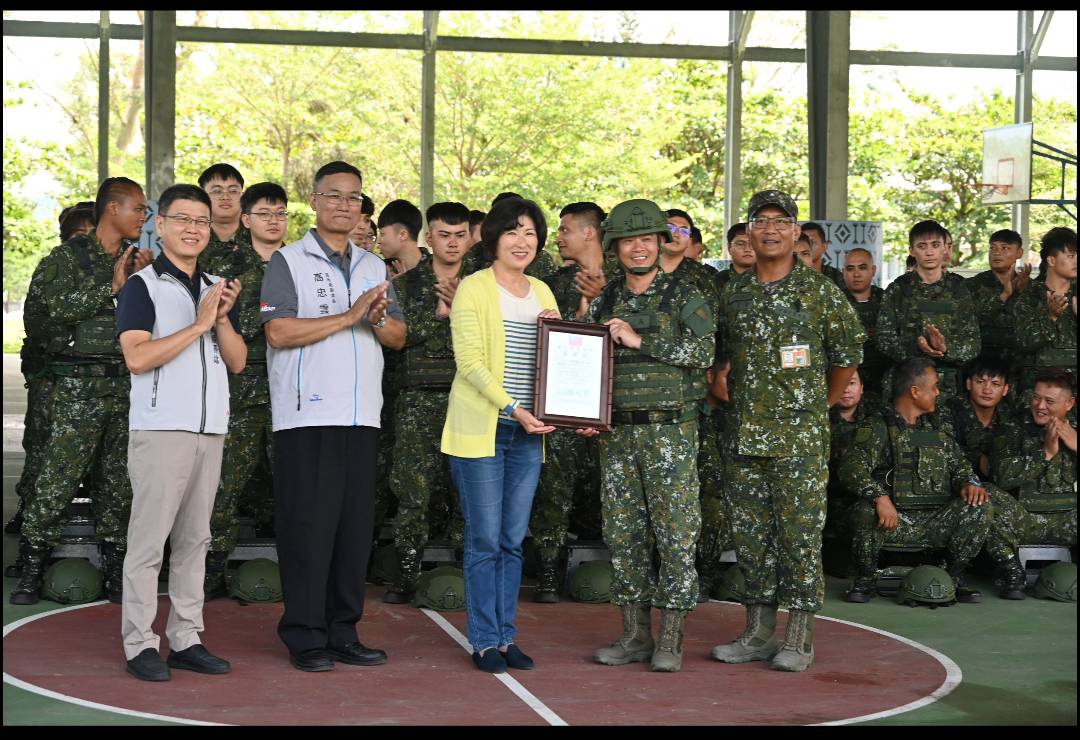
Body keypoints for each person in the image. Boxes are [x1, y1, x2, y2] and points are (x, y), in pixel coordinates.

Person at [261, 161, 405, 672]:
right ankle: (304, 635)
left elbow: (397, 337)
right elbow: (277, 333)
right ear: (316, 202)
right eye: (335, 196)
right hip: (307, 416)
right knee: (308, 527)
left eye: (355, 198)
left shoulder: (373, 267)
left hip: (361, 415)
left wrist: (378, 318)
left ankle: (344, 630)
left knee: (352, 529)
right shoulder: (288, 261)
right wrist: (349, 316)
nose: (346, 205)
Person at [711, 190, 864, 673]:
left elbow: (847, 355)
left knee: (798, 538)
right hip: (744, 438)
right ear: (748, 232)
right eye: (761, 220)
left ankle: (799, 637)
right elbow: (716, 359)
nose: (770, 229)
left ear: (797, 233)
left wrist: (819, 403)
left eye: (781, 221)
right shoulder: (732, 294)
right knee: (752, 539)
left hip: (799, 445)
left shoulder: (819, 293)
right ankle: (758, 632)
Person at [116, 183, 246, 681]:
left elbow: (236, 362)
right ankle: (139, 643)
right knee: (149, 542)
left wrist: (221, 318)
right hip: (161, 429)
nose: (193, 229)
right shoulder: (142, 286)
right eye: (183, 220)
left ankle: (186, 637)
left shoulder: (215, 284)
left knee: (196, 540)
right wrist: (197, 325)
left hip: (209, 430)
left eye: (201, 222)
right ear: (162, 226)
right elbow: (137, 357)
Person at [582, 198, 714, 673]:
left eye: (646, 239)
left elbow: (704, 352)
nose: (638, 248)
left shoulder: (686, 295)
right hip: (617, 435)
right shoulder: (605, 300)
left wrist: (641, 340)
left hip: (669, 434)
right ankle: (635, 634)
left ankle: (672, 637)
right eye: (628, 241)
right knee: (623, 535)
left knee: (676, 536)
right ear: (614, 247)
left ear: (661, 242)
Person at [11, 177, 153, 606]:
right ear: (112, 209)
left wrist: (144, 281)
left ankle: (115, 573)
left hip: (125, 385)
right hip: (77, 389)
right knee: (57, 479)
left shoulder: (141, 262)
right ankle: (31, 570)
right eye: (138, 209)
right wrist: (110, 286)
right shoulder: (67, 258)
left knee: (117, 484)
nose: (144, 217)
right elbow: (50, 312)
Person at [440, 196, 559, 673]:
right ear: (493, 238)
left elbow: (557, 361)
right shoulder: (473, 288)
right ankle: (485, 640)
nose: (522, 240)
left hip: (530, 434)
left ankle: (507, 636)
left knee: (513, 540)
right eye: (512, 231)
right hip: (484, 432)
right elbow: (468, 364)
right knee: (486, 540)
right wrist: (514, 408)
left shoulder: (544, 292)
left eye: (530, 232)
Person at [840, 359, 992, 605]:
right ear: (915, 391)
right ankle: (865, 579)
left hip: (935, 519)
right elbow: (851, 468)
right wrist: (879, 497)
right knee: (863, 511)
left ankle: (953, 576)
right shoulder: (878, 427)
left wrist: (969, 483)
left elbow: (960, 466)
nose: (937, 392)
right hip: (892, 521)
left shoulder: (937, 428)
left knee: (979, 506)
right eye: (933, 387)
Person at [200, 182, 289, 597]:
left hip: (292, 389)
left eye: (281, 213)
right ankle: (212, 568)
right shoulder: (221, 263)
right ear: (247, 219)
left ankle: (299, 568)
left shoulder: (301, 263)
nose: (274, 221)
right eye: (265, 214)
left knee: (295, 486)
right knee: (225, 483)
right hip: (239, 387)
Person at [383, 201, 470, 603]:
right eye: (444, 235)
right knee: (413, 491)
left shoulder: (485, 284)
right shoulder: (404, 285)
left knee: (467, 491)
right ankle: (405, 573)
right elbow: (395, 337)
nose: (452, 244)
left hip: (471, 398)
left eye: (460, 235)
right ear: (429, 239)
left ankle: (468, 569)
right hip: (419, 400)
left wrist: (463, 309)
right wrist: (440, 314)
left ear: (469, 238)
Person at [529, 202, 615, 602]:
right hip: (563, 406)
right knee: (554, 488)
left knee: (613, 489)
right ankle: (547, 569)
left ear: (590, 233)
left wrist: (600, 303)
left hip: (612, 406)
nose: (559, 236)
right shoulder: (554, 283)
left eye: (565, 229)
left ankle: (621, 569)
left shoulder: (623, 278)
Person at [7, 203, 98, 540]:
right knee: (42, 448)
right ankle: (28, 511)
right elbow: (39, 324)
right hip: (53, 377)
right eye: (78, 236)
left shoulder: (111, 271)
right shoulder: (53, 268)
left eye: (91, 235)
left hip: (95, 382)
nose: (84, 243)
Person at [985, 370, 1077, 600]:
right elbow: (1000, 476)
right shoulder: (1013, 427)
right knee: (985, 495)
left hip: (1069, 522)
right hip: (1025, 522)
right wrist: (1044, 453)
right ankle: (1012, 572)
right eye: (1036, 398)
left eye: (1049, 401)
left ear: (1070, 403)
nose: (1040, 406)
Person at [876, 220, 981, 401]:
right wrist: (917, 347)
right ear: (912, 250)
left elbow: (973, 344)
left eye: (935, 245)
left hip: (948, 390)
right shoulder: (898, 289)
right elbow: (883, 339)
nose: (929, 252)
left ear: (945, 249)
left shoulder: (959, 289)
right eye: (922, 246)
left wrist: (945, 349)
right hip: (907, 384)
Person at [1014, 227, 1076, 397]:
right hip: (1035, 395)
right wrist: (1051, 317)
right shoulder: (1030, 295)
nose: (1076, 261)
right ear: (1051, 260)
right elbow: (1023, 343)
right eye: (1071, 256)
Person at [966, 229, 1030, 390]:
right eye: (992, 248)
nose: (997, 253)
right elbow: (970, 323)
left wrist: (1020, 293)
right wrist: (1004, 295)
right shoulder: (972, 286)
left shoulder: (1032, 288)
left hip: (1020, 370)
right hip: (982, 370)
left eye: (1005, 248)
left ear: (1019, 253)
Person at [823, 369, 871, 575]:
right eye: (840, 383)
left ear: (861, 388)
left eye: (851, 383)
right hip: (827, 502)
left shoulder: (875, 421)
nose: (845, 390)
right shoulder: (818, 420)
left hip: (861, 499)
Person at [939, 356, 1014, 483]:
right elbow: (943, 449)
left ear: (1005, 389)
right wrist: (978, 459)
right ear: (968, 384)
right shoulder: (950, 411)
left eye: (995, 384)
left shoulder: (1009, 416)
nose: (987, 390)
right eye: (980, 382)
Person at [461, 192, 557, 278]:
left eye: (528, 233)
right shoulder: (475, 253)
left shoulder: (542, 260)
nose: (521, 244)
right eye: (511, 233)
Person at [842, 248, 888, 405]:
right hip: (846, 383)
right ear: (843, 272)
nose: (856, 274)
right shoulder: (834, 303)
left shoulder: (887, 302)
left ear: (873, 270)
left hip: (882, 381)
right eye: (850, 268)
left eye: (862, 267)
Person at [198, 164, 250, 267]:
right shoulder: (191, 235)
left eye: (233, 191)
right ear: (202, 196)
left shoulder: (259, 233)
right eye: (217, 191)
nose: (225, 197)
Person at [800, 222, 845, 288]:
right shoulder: (790, 274)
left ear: (824, 246)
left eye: (812, 242)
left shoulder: (836, 276)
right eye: (804, 242)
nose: (807, 247)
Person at [716, 222, 755, 291]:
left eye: (753, 244)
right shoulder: (716, 281)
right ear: (729, 248)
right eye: (740, 244)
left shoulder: (772, 279)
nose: (747, 249)